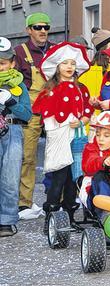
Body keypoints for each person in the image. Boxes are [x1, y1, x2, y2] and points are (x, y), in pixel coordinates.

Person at [32, 42, 93, 231]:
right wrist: (62, 125)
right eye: (65, 63)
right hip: (59, 139)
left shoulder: (81, 88)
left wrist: (82, 121)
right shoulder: (51, 89)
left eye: (72, 63)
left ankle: (69, 215)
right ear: (57, 66)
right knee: (58, 178)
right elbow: (44, 112)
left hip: (77, 138)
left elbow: (87, 111)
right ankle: (50, 218)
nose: (69, 67)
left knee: (73, 179)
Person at [13, 12, 54, 213]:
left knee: (57, 156)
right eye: (38, 27)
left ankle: (56, 200)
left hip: (55, 109)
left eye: (46, 27)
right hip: (32, 111)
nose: (43, 31)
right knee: (28, 157)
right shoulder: (19, 52)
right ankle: (24, 203)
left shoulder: (56, 50)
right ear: (29, 30)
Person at [0, 37, 32, 237]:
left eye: (2, 63)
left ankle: (6, 220)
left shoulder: (19, 86)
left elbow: (27, 114)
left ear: (12, 63)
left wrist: (11, 101)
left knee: (10, 178)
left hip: (12, 132)